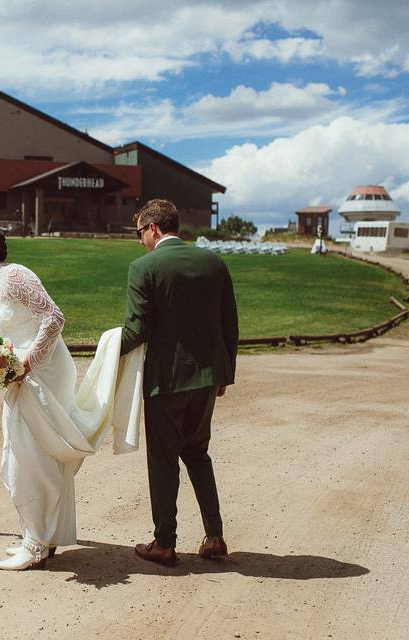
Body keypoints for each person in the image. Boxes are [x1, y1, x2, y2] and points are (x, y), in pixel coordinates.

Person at [0, 227, 144, 571]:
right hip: (21, 372)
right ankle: (39, 535)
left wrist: (26, 361)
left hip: (44, 371)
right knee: (23, 451)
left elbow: (54, 318)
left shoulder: (16, 275)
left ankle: (36, 543)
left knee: (32, 455)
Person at [121, 199, 238, 566]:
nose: (139, 240)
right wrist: (224, 375)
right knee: (197, 452)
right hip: (207, 377)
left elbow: (137, 330)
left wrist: (106, 350)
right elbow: (229, 323)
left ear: (153, 228)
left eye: (140, 232)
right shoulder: (213, 262)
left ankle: (164, 543)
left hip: (166, 380)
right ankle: (214, 535)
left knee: (163, 459)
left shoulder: (144, 267)